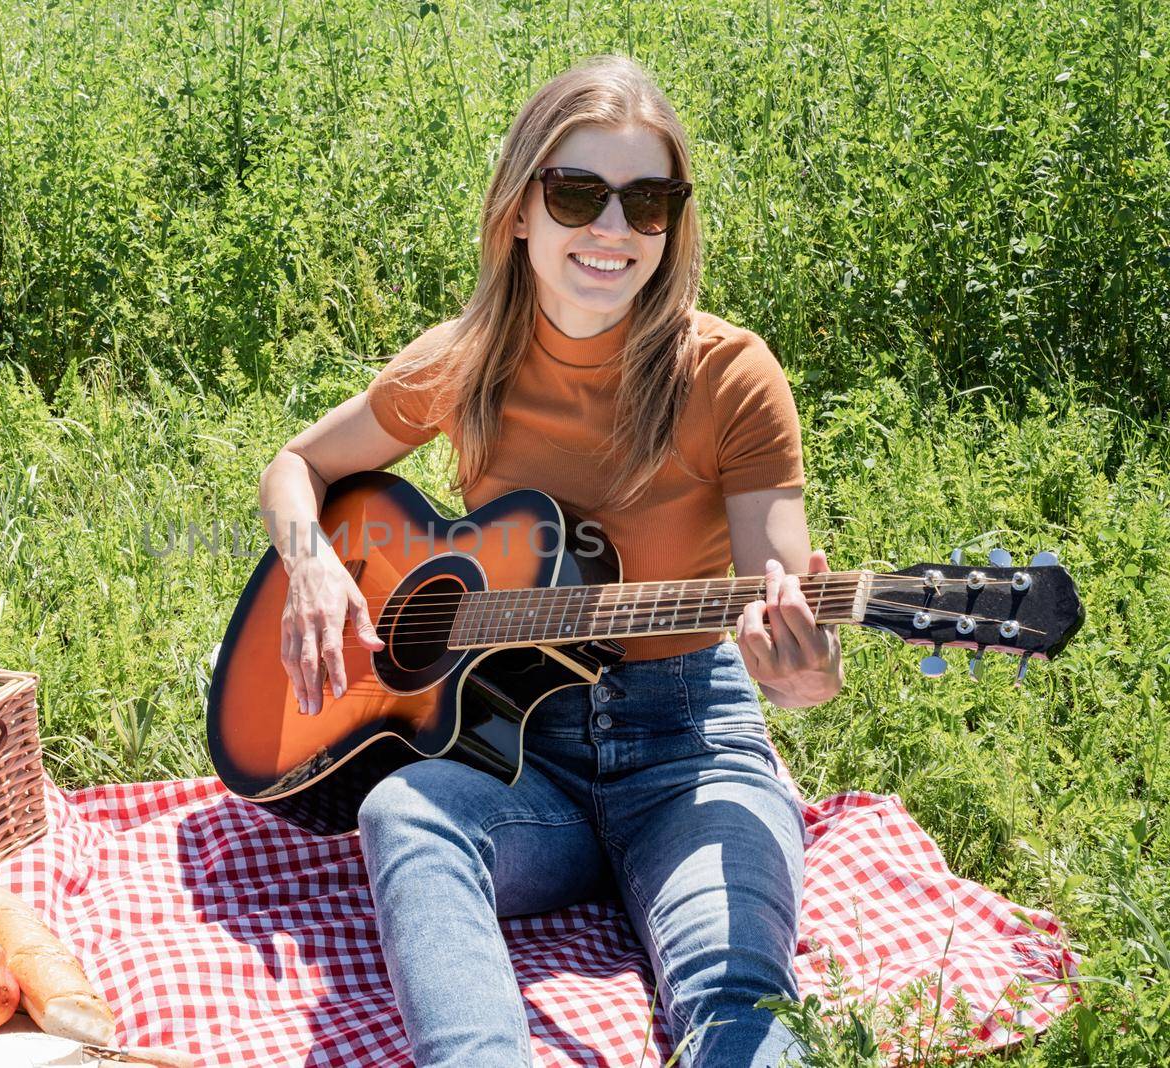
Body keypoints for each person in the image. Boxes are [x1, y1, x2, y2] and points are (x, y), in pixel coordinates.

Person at [256, 54, 843, 1068]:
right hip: (523, 757)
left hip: (693, 748)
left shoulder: (731, 375)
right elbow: (297, 464)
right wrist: (312, 563)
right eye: (578, 193)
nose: (612, 230)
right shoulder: (464, 360)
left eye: (647, 201)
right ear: (520, 208)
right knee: (403, 808)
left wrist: (806, 673)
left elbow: (786, 608)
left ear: (672, 222)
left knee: (741, 1000)